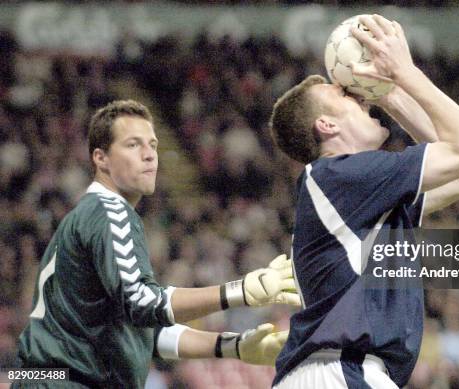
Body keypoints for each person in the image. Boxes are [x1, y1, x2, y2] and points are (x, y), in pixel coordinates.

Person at [268, 15, 459, 389]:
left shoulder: (364, 191)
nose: (357, 93)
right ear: (327, 126)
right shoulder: (336, 175)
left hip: (341, 373)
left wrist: (392, 97)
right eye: (343, 94)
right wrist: (405, 74)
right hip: (339, 372)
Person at [13, 100, 300, 388]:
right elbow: (143, 304)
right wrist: (241, 291)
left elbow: (144, 331)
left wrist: (236, 346)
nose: (150, 155)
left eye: (152, 145)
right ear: (100, 158)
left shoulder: (86, 217)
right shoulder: (109, 212)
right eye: (133, 145)